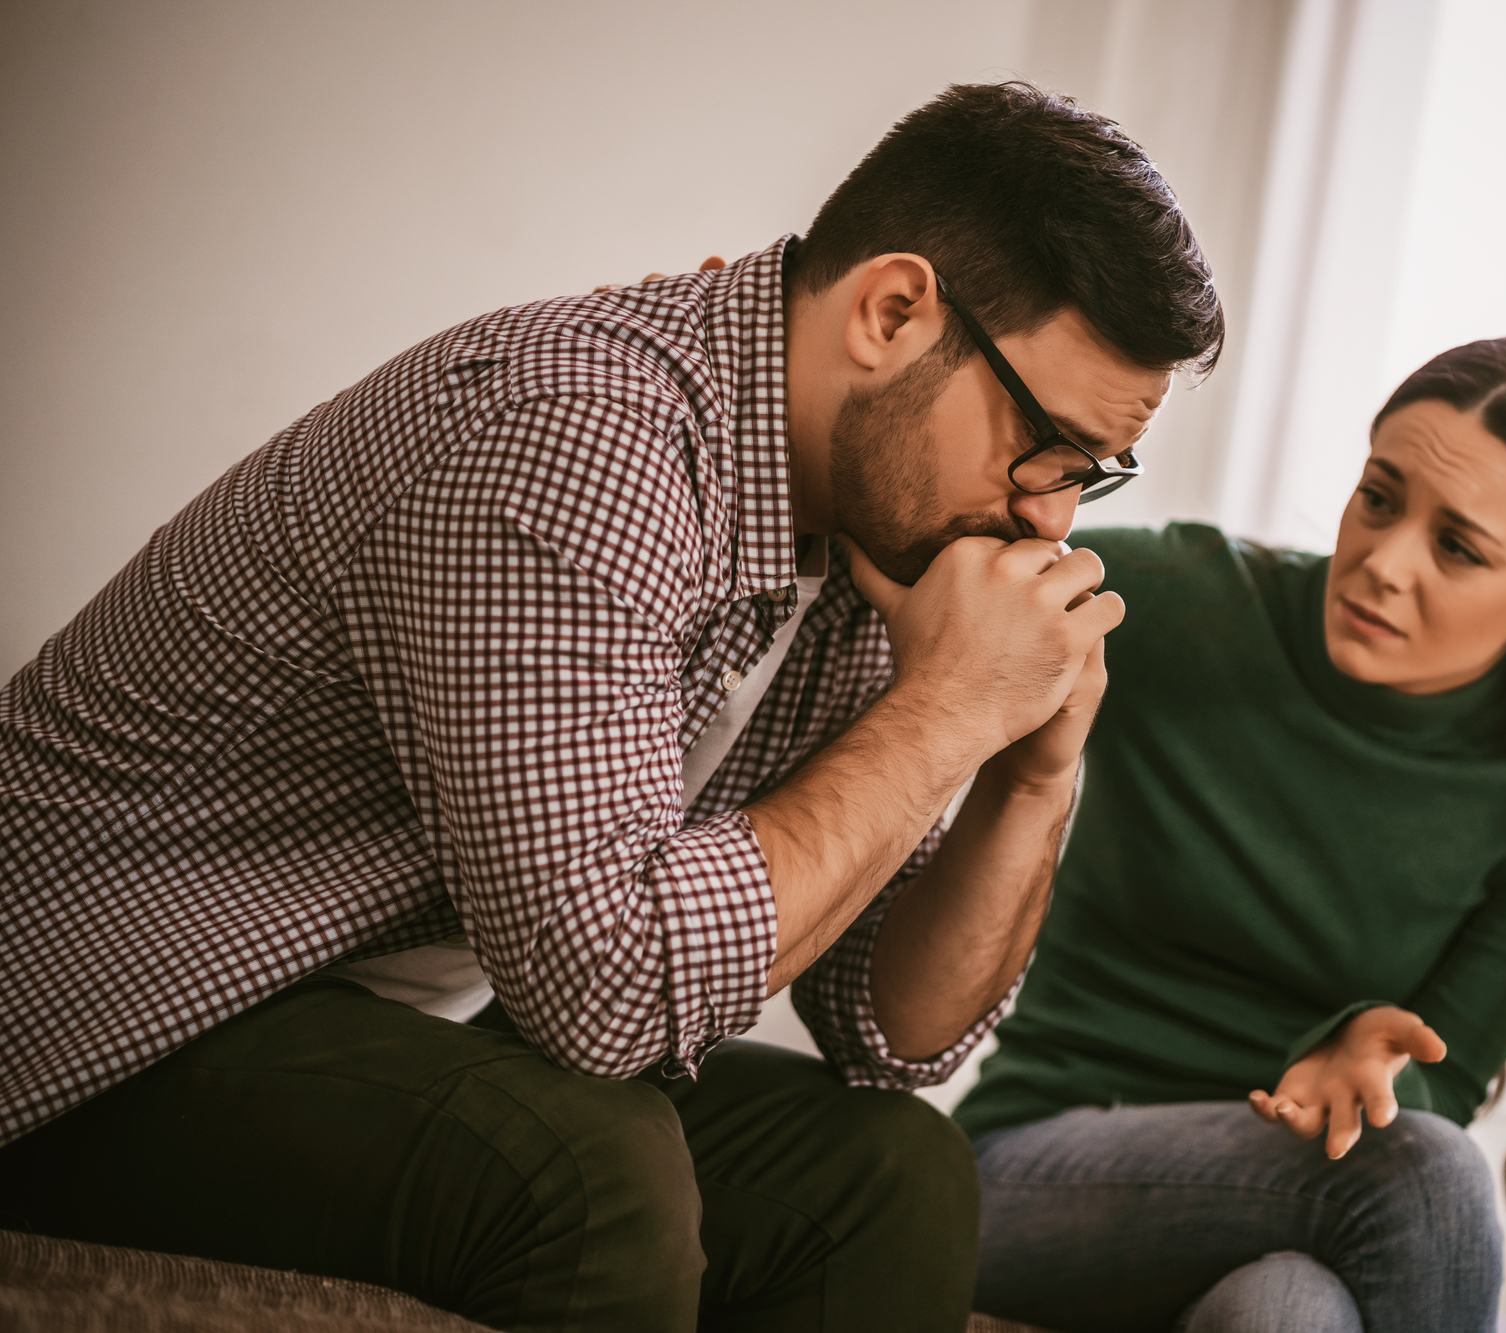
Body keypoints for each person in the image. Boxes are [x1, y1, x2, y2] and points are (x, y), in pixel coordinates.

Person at [0, 82, 1224, 1333]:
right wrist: (947, 713)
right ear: (892, 310)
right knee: (589, 1166)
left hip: (412, 1028)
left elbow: (886, 1033)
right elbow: (607, 997)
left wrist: (1029, 773)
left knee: (888, 1171)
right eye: (1044, 445)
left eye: (1090, 476)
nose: (1050, 517)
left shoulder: (878, 531)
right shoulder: (583, 436)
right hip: (119, 1018)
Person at [955, 338, 1506, 1333]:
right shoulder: (1193, 606)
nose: (1381, 563)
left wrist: (1365, 1060)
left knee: (1288, 1312)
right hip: (1038, 1167)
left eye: (1456, 547)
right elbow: (958, 543)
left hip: (1295, 1210)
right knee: (1424, 1176)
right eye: (1377, 497)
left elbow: (1446, 1077)